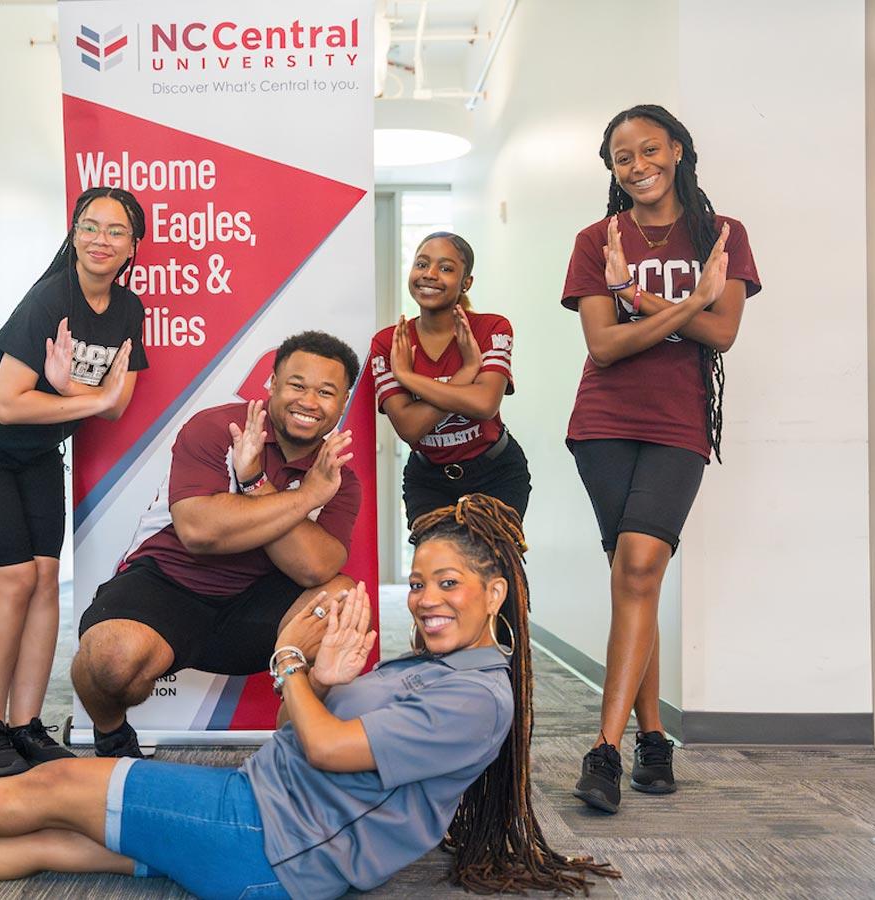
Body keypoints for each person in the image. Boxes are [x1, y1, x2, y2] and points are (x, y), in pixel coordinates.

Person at [0, 496, 617, 897]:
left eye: (451, 584)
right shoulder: (432, 671)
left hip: (273, 844)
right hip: (263, 812)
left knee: (54, 788)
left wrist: (290, 663)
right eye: (422, 581)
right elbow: (309, 730)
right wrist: (319, 685)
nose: (428, 599)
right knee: (54, 841)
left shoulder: (475, 701)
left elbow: (321, 746)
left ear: (497, 592)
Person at [559, 104, 761, 813]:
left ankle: (604, 751)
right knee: (632, 579)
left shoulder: (720, 234)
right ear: (612, 170)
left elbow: (725, 331)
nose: (638, 164)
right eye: (622, 157)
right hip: (604, 425)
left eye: (650, 149)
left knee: (639, 567)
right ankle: (652, 737)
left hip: (678, 425)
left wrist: (638, 299)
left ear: (676, 149)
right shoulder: (596, 238)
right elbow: (605, 346)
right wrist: (682, 304)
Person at [0, 186, 149, 776]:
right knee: (12, 583)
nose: (100, 239)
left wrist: (70, 391)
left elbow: (113, 407)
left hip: (33, 452)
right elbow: (7, 403)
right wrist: (87, 395)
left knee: (47, 579)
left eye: (115, 231)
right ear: (74, 234)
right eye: (90, 226)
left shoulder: (128, 310)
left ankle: (26, 726)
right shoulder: (48, 299)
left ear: (133, 247)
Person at [72, 331, 363, 758]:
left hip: (257, 605)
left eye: (326, 392)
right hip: (170, 583)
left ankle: (296, 742)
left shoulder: (336, 475)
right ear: (272, 385)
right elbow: (199, 532)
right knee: (110, 659)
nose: (309, 401)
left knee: (340, 599)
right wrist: (305, 498)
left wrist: (254, 485)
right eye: (297, 385)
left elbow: (315, 568)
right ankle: (111, 732)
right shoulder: (217, 428)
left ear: (342, 403)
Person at [367, 231, 530, 528]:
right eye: (421, 264)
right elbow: (408, 427)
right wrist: (467, 373)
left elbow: (483, 404)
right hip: (427, 481)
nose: (429, 275)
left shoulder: (492, 327)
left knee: (491, 567)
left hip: (496, 473)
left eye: (445, 268)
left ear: (466, 282)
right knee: (437, 571)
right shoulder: (387, 342)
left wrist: (408, 377)